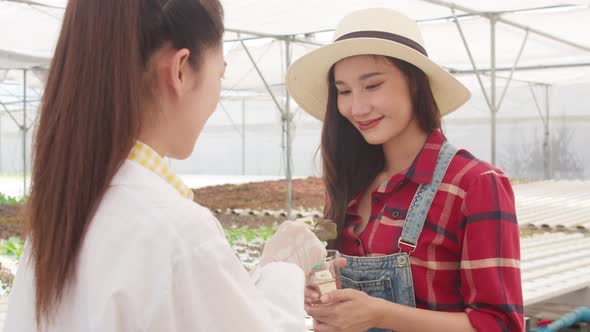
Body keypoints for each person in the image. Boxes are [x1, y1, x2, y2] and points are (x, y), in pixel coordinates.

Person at [4, 0, 326, 331]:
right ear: (181, 70)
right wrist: (284, 268)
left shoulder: (58, 218)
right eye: (220, 73)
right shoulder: (176, 231)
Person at [286, 8, 523, 332]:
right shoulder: (349, 186)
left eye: (372, 86)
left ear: (415, 83)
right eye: (343, 91)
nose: (356, 107)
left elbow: (501, 324)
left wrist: (381, 314)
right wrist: (324, 301)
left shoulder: (474, 185)